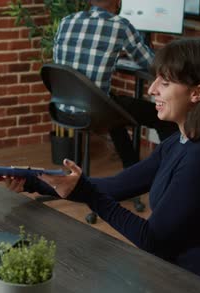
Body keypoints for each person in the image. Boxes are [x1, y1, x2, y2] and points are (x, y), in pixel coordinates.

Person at [6, 38, 200, 281]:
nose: (152, 90)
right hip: (171, 271)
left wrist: (88, 194)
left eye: (164, 83)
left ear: (197, 92)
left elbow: (151, 240)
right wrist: (32, 179)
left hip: (195, 290)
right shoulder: (180, 141)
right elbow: (117, 186)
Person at [53, 0, 178, 169]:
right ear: (118, 2)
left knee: (113, 106)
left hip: (61, 109)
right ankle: (173, 169)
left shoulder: (67, 20)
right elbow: (151, 64)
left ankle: (132, 168)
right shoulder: (120, 25)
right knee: (164, 119)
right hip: (94, 113)